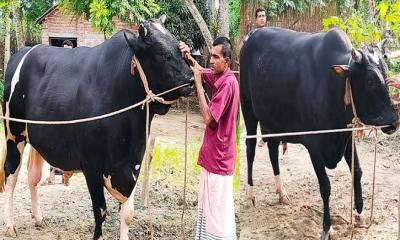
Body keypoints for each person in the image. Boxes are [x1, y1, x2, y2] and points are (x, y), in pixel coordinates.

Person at [180, 37, 239, 240]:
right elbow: (202, 72)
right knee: (210, 213)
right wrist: (188, 58)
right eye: (210, 56)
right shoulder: (221, 77)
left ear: (227, 61)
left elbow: (208, 118)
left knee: (218, 220)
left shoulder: (227, 84)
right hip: (214, 157)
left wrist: (197, 84)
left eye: (216, 57)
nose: (211, 61)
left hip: (219, 160)